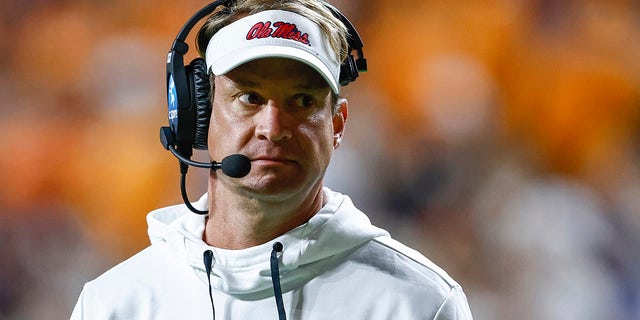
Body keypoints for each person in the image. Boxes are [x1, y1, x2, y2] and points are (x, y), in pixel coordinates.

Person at [71, 0, 473, 319]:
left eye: (302, 100)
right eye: (249, 97)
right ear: (199, 113)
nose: (274, 126)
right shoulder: (114, 305)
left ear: (337, 124)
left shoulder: (419, 305)